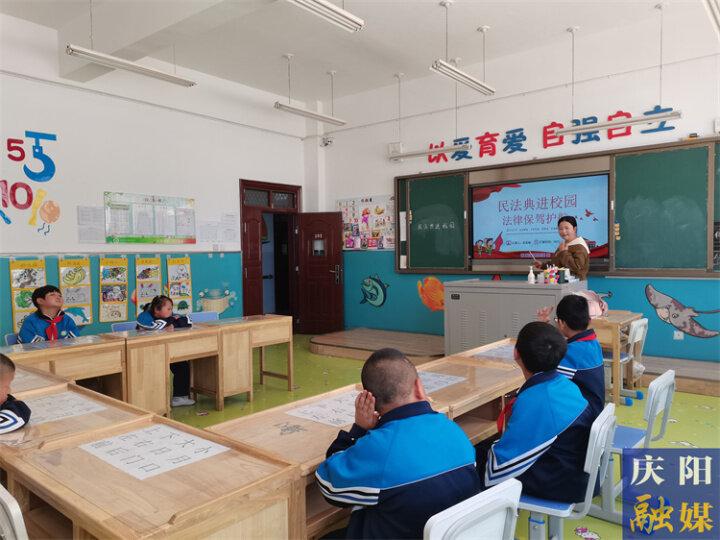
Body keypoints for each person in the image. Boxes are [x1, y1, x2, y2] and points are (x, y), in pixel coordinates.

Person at [315, 348, 481, 539]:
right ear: (419, 387)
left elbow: (329, 486)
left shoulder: (379, 447)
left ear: (370, 399)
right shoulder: (452, 429)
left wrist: (358, 430)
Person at [480, 322, 594, 503]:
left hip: (565, 481)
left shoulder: (537, 400)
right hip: (578, 470)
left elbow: (497, 469)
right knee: (485, 447)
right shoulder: (565, 385)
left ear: (516, 353)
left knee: (474, 461)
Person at [538, 295, 605, 419]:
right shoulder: (593, 343)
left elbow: (544, 374)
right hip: (594, 411)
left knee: (537, 401)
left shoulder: (571, 353)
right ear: (589, 320)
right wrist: (544, 326)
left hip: (582, 418)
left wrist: (541, 328)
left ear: (561, 323)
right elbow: (559, 343)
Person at [136, 296, 195, 407]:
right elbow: (154, 327)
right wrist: (171, 321)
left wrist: (171, 323)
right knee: (157, 370)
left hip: (165, 349)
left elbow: (188, 320)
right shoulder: (144, 316)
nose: (171, 311)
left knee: (182, 365)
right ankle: (153, 400)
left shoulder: (167, 315)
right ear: (156, 310)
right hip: (147, 353)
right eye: (168, 309)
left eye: (171, 309)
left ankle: (180, 398)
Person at [534, 216, 590, 280]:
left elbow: (577, 268)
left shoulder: (579, 246)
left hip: (575, 284)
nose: (563, 231)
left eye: (566, 228)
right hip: (560, 282)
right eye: (560, 229)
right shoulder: (564, 245)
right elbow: (556, 264)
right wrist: (542, 265)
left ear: (574, 229)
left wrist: (564, 252)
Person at [0, 354, 31, 435]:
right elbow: (20, 415)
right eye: (6, 386)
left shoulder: (7, 402)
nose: (9, 391)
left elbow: (20, 411)